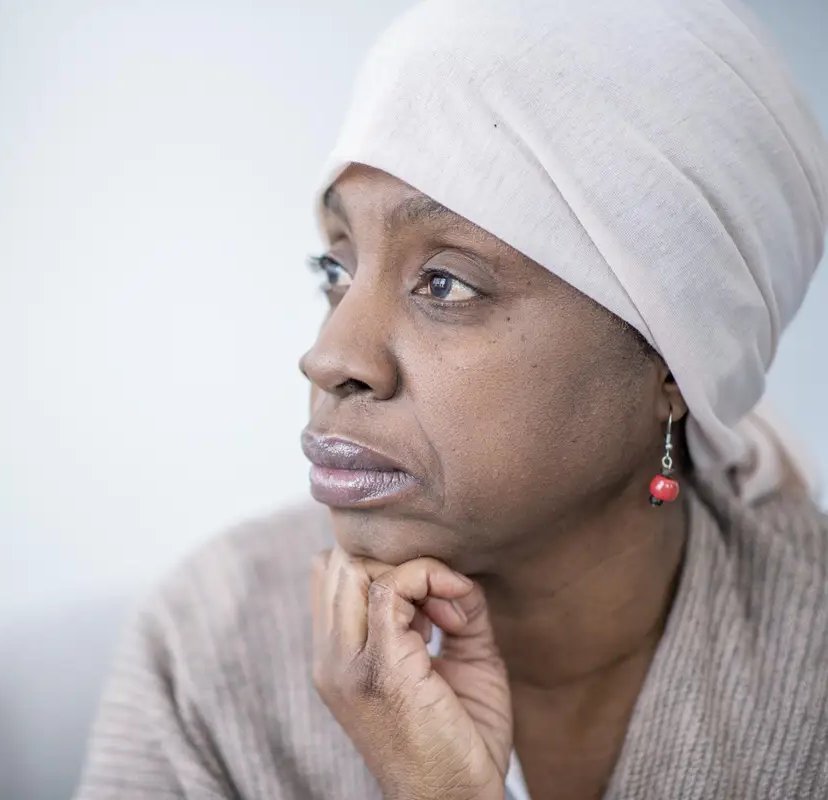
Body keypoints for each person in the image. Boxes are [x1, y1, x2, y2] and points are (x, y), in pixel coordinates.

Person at [75, 0, 828, 798]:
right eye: (337, 269)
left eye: (445, 283)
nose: (330, 357)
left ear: (674, 364)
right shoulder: (209, 650)